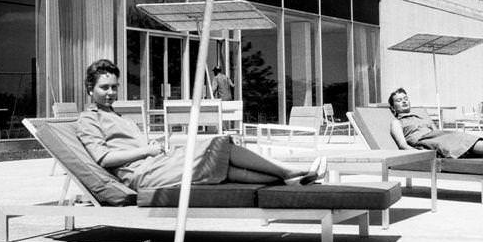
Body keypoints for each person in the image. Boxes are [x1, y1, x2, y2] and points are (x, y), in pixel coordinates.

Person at [76, 59, 325, 190]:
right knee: (217, 146)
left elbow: (132, 146)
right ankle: (287, 171)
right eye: (104, 87)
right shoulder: (89, 119)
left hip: (158, 163)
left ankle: (286, 180)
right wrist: (146, 150)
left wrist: (151, 145)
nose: (110, 92)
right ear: (90, 89)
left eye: (114, 87)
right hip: (143, 175)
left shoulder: (119, 117)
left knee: (223, 168)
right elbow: (103, 158)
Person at [388, 88, 483, 159]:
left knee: (458, 140)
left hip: (438, 139)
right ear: (393, 108)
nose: (404, 101)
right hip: (425, 144)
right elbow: (403, 145)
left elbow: (438, 131)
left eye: (405, 98)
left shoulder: (421, 117)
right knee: (458, 139)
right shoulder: (396, 122)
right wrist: (421, 156)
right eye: (399, 100)